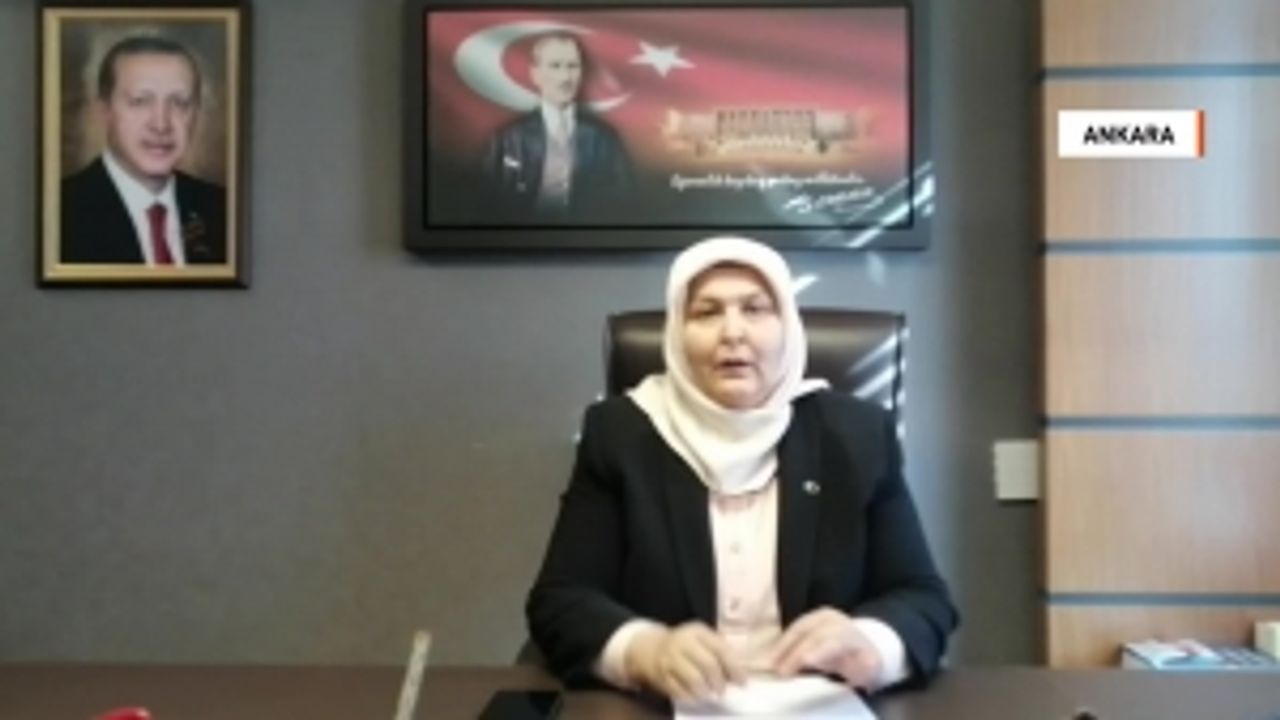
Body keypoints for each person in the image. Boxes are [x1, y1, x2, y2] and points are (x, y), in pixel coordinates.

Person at [526, 236, 958, 703]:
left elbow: (922, 597)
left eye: (755, 309)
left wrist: (871, 644)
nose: (733, 333)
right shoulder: (620, 435)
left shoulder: (858, 436)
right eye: (706, 312)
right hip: (666, 706)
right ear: (677, 333)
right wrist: (644, 650)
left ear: (787, 326)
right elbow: (561, 599)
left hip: (817, 704)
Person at [61, 35, 226, 265]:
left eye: (179, 103)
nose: (161, 124)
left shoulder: (223, 209)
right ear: (104, 111)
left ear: (196, 114)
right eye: (140, 101)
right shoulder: (61, 212)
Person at [481, 32, 633, 222]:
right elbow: (487, 202)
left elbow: (621, 203)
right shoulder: (508, 138)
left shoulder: (604, 139)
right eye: (555, 66)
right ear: (535, 74)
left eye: (572, 66)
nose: (565, 77)